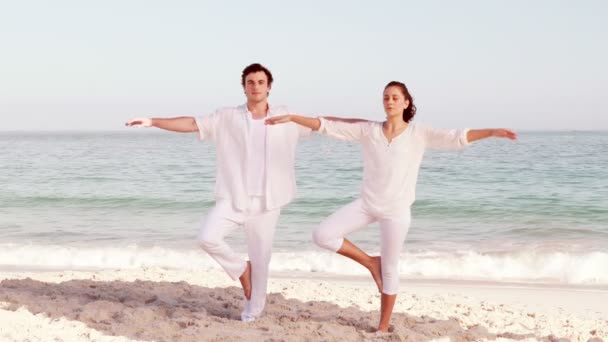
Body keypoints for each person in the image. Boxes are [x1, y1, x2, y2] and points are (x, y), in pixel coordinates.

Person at [265, 80, 517, 332]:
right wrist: (293, 118)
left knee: (391, 268)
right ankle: (370, 262)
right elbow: (328, 126)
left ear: (406, 103)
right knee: (322, 234)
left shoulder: (419, 133)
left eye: (395, 97)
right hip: (367, 204)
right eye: (386, 97)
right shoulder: (369, 130)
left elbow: (456, 137)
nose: (390, 101)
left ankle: (383, 326)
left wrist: (492, 132)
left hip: (396, 211)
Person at [126, 63, 311, 322]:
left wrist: (370, 129)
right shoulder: (227, 116)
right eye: (250, 82)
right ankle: (241, 269)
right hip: (235, 197)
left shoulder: (286, 116)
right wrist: (153, 121)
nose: (255, 86)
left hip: (268, 201)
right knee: (207, 237)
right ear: (244, 87)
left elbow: (322, 125)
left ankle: (251, 314)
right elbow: (192, 123)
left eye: (260, 82)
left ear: (269, 87)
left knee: (261, 259)